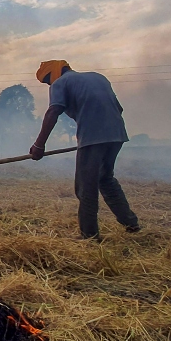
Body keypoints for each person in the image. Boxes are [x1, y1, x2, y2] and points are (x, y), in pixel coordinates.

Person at [28, 60, 140, 241]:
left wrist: (39, 146)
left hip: (93, 136)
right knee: (105, 179)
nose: (49, 84)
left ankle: (89, 235)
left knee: (86, 186)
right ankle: (130, 223)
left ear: (53, 74)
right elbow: (118, 108)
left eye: (47, 80)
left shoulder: (60, 83)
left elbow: (52, 112)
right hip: (117, 133)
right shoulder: (98, 77)